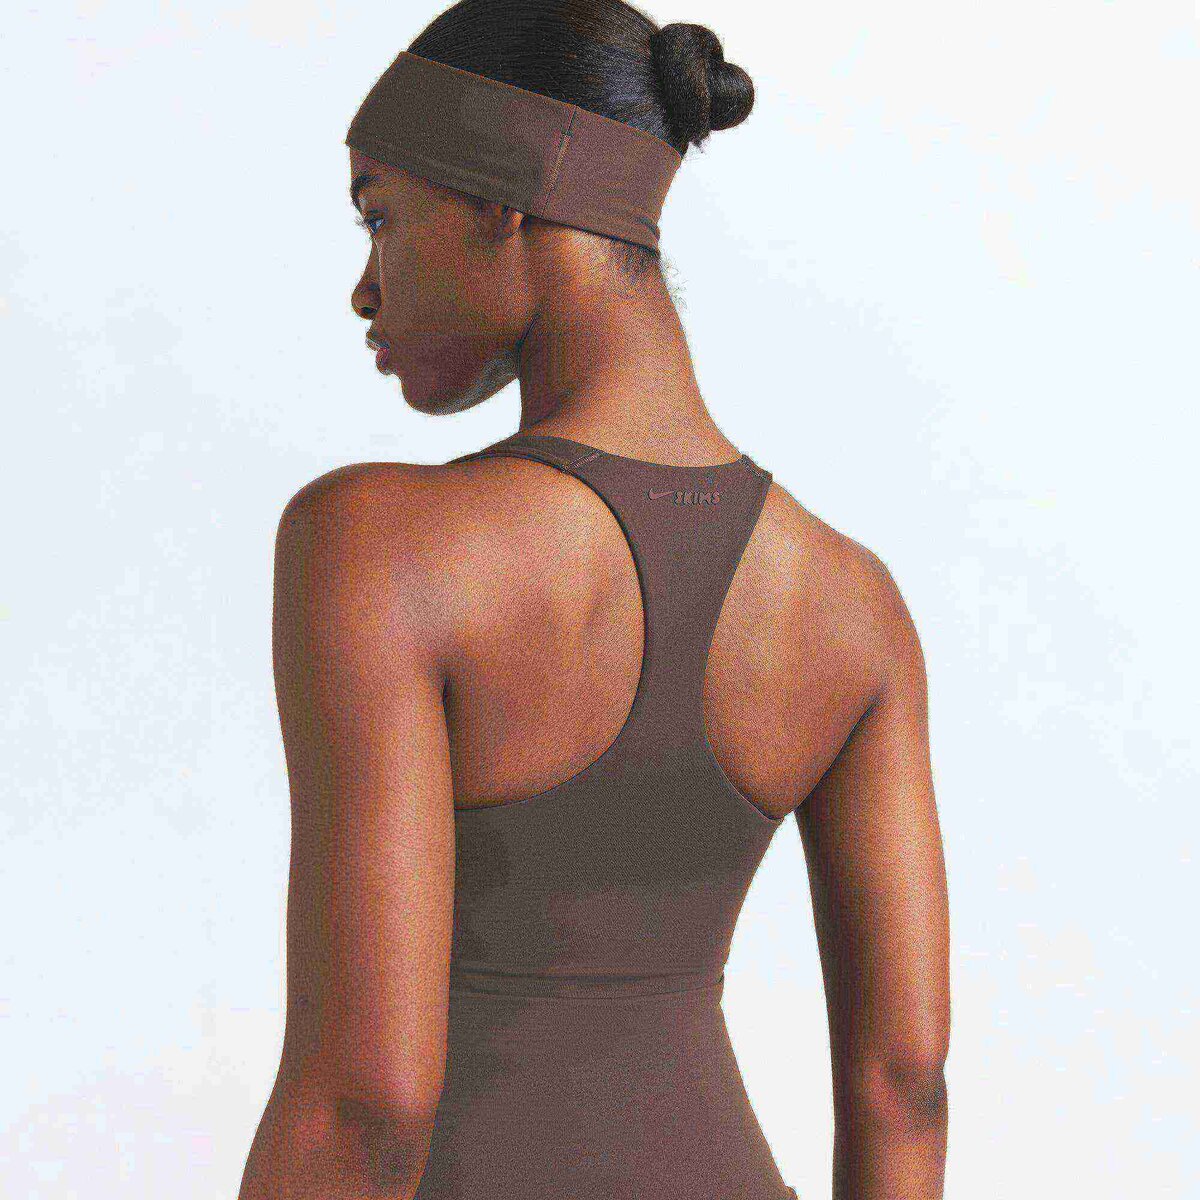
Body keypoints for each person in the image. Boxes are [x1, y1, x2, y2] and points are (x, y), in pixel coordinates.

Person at [238, 2, 950, 1198]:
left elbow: (364, 1106)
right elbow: (905, 1086)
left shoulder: (379, 546)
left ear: (501, 201)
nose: (365, 288)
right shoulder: (851, 601)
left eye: (380, 216)